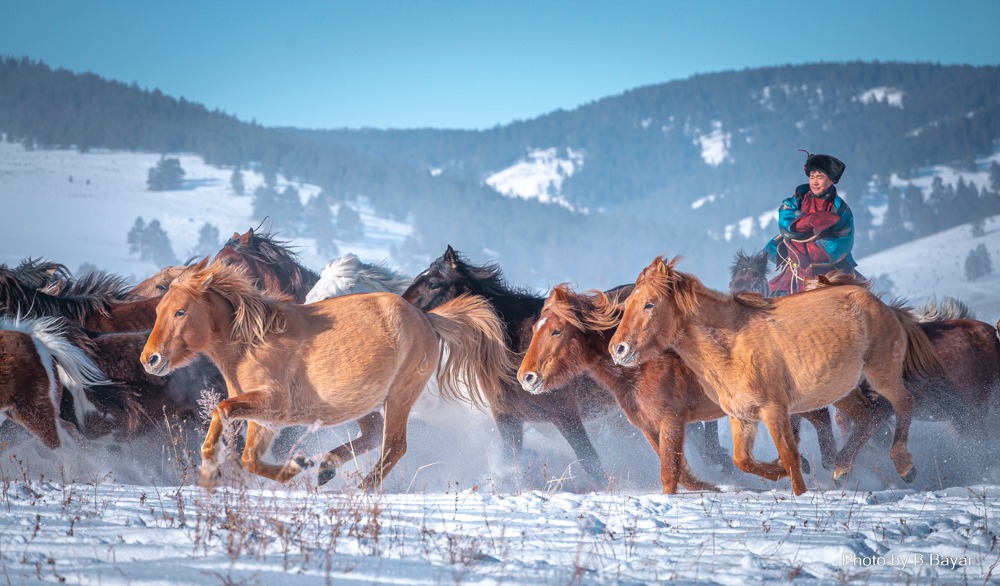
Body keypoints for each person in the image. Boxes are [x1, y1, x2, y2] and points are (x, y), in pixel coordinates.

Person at [764, 153, 858, 296]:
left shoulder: (841, 211)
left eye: (820, 178)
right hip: (794, 268)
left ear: (831, 180)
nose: (814, 182)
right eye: (812, 177)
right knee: (770, 296)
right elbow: (785, 220)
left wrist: (810, 245)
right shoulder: (797, 200)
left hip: (828, 272)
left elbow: (841, 245)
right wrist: (807, 222)